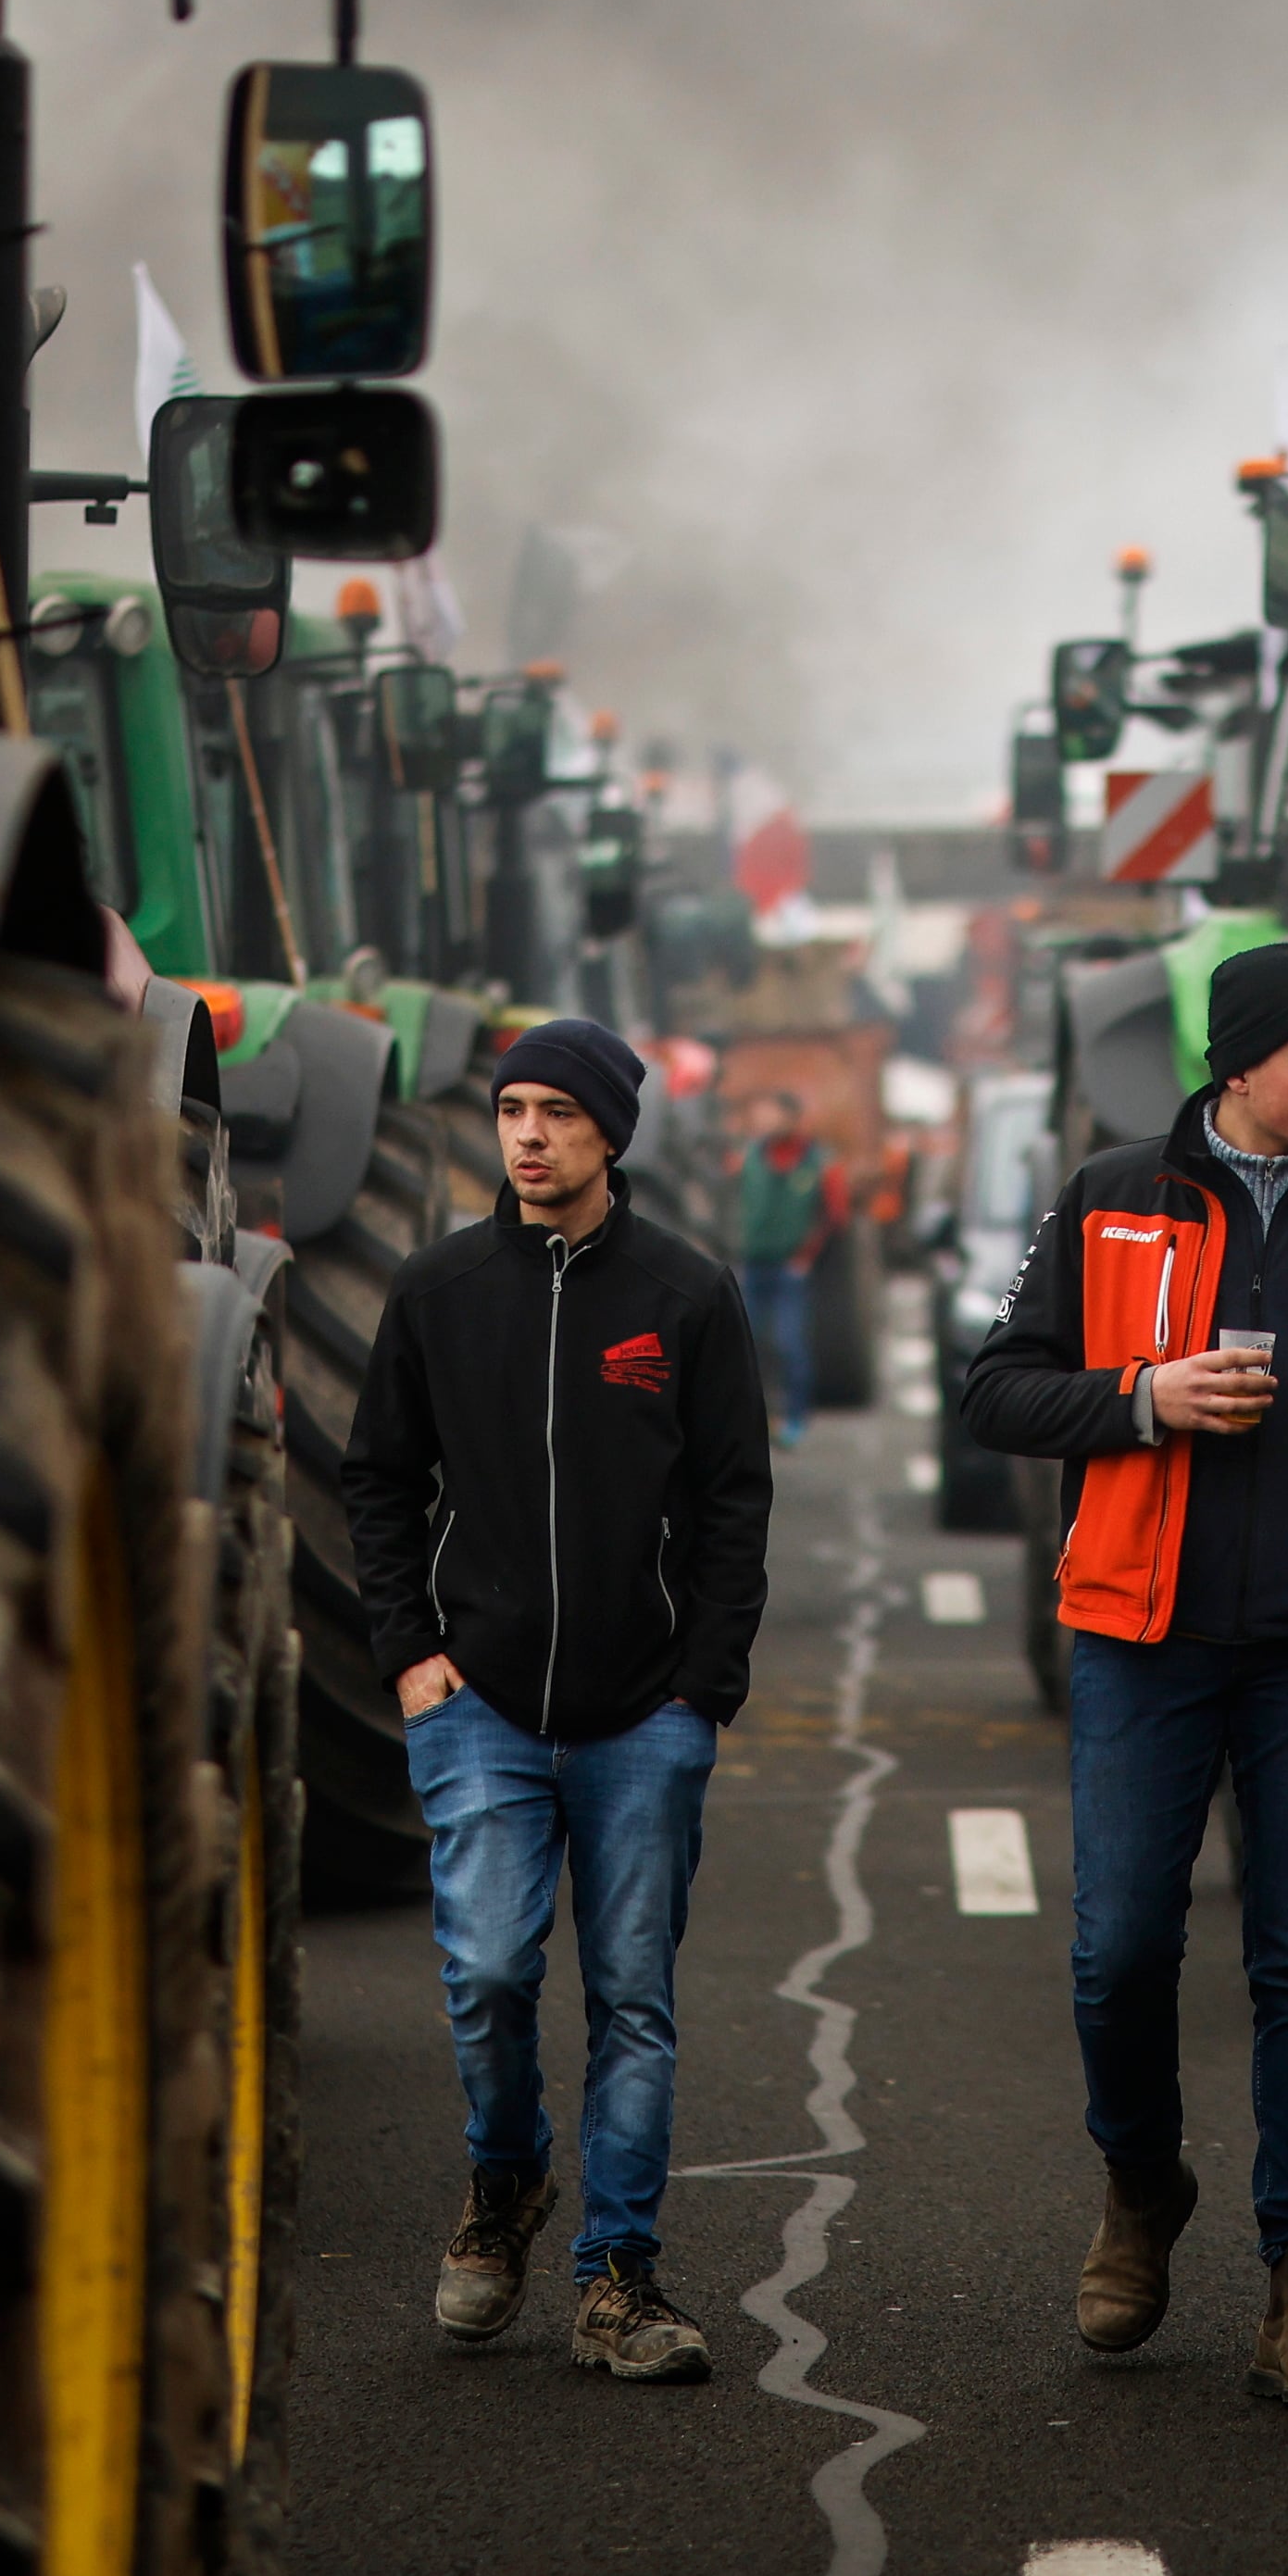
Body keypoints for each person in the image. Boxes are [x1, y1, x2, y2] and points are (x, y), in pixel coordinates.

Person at [959, 942, 1288, 2414]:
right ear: (1239, 1066)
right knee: (1120, 1949)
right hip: (1142, 1637)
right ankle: (1143, 2188)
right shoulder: (1111, 1196)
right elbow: (995, 1386)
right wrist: (1146, 1397)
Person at [341, 1016, 770, 2383]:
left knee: (633, 1993)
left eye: (558, 1113)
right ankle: (505, 2177)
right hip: (479, 1701)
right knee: (487, 1970)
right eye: (514, 1108)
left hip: (642, 1714)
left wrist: (703, 1685)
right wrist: (411, 1651)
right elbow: (378, 1480)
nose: (528, 1133)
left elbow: (730, 1502)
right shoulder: (438, 1288)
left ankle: (617, 2276)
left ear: (609, 1134)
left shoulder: (686, 1295)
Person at [728, 1089, 846, 1451]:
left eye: (774, 1115)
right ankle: (747, 1421)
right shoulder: (747, 1158)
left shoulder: (821, 1163)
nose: (766, 1123)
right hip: (751, 1264)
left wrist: (806, 1256)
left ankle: (794, 1417)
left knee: (789, 1342)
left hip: (789, 1269)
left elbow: (835, 1215)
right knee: (743, 1346)